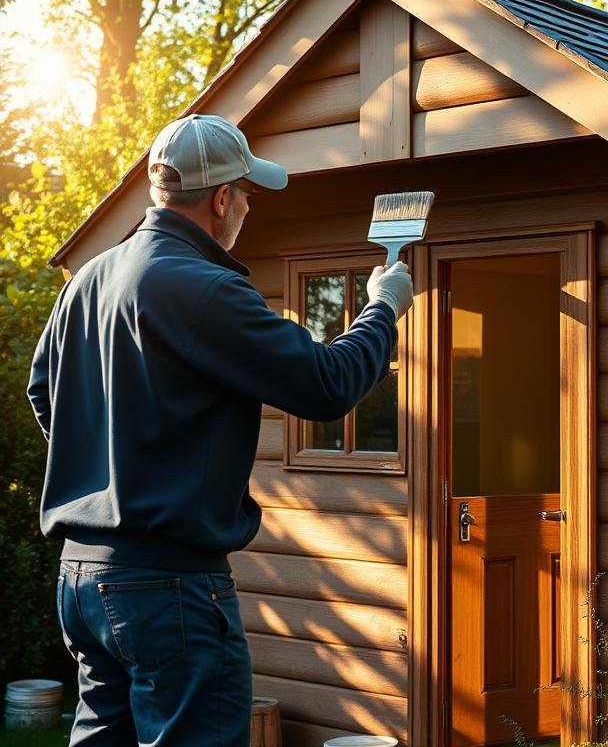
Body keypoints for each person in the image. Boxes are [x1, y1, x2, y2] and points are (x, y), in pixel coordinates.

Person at [26, 114, 414, 746]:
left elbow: (42, 389)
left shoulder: (90, 280)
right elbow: (326, 385)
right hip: (168, 586)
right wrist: (383, 308)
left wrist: (107, 464)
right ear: (222, 198)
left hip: (82, 580)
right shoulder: (202, 287)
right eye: (248, 194)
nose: (248, 208)